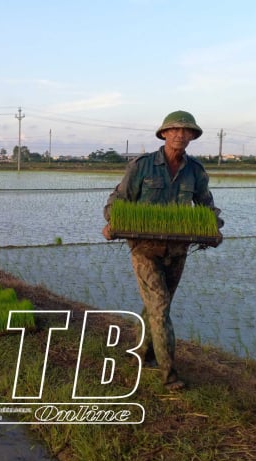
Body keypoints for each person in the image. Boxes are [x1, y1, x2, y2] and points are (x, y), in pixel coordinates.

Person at [102, 110, 224, 391]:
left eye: (186, 131)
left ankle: (142, 353)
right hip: (144, 248)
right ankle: (169, 375)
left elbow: (206, 205)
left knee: (156, 305)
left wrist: (213, 227)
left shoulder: (195, 171)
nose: (180, 135)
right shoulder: (142, 166)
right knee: (160, 304)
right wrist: (112, 222)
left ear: (192, 136)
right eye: (175, 130)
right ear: (164, 134)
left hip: (177, 250)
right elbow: (118, 200)